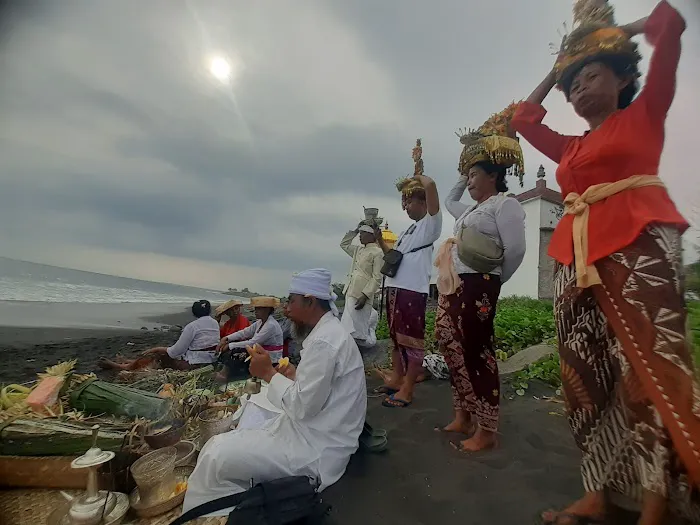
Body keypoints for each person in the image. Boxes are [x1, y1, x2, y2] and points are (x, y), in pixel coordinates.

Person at [511, 2, 699, 523]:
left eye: (590, 76)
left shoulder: (646, 111)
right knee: (582, 376)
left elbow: (670, 25)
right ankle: (599, 490)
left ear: (621, 79)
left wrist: (612, 34)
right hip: (575, 257)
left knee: (646, 371)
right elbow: (522, 119)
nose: (577, 90)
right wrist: (561, 65)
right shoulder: (570, 147)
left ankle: (656, 503)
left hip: (639, 244)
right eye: (572, 85)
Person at [182, 268, 367, 516]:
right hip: (321, 430)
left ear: (310, 301)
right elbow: (323, 390)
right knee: (252, 410)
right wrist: (294, 374)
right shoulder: (329, 333)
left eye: (291, 301)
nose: (286, 309)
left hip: (320, 449)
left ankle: (204, 514)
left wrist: (268, 373)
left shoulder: (325, 341)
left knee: (216, 452)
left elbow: (303, 408)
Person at [434, 104, 526, 452]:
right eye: (469, 176)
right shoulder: (471, 209)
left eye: (475, 175)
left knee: (476, 350)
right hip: (455, 284)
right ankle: (463, 413)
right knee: (449, 343)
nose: (470, 181)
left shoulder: (506, 205)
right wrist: (466, 165)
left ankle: (487, 429)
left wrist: (495, 281)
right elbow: (449, 200)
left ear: (493, 176)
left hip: (480, 284)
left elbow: (515, 251)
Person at [374, 174, 442, 408]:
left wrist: (417, 174)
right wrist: (378, 239)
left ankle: (408, 389)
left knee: (412, 342)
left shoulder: (431, 225)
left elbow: (431, 186)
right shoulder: (407, 232)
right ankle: (396, 379)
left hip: (412, 291)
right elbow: (392, 257)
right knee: (397, 340)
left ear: (423, 203)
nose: (405, 206)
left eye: (409, 201)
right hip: (395, 290)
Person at [98, 300, 219, 371]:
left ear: (194, 312)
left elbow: (175, 351)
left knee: (158, 355)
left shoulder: (192, 326)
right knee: (162, 352)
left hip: (195, 364)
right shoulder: (215, 324)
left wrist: (156, 348)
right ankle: (129, 361)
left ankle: (123, 367)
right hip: (210, 360)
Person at [217, 296, 284, 380]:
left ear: (267, 310)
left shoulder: (271, 325)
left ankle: (227, 376)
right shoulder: (260, 322)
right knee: (234, 352)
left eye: (258, 309)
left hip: (272, 359)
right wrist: (227, 338)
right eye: (255, 309)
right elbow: (245, 332)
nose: (255, 311)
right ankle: (227, 375)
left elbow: (253, 343)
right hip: (261, 355)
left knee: (235, 353)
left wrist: (230, 345)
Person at [339, 223, 383, 346]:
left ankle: (370, 341)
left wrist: (366, 295)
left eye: (362, 234)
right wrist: (355, 230)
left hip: (362, 295)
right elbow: (344, 244)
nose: (360, 237)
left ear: (371, 235)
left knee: (358, 333)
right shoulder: (358, 250)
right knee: (347, 329)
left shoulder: (378, 252)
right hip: (350, 291)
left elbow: (377, 277)